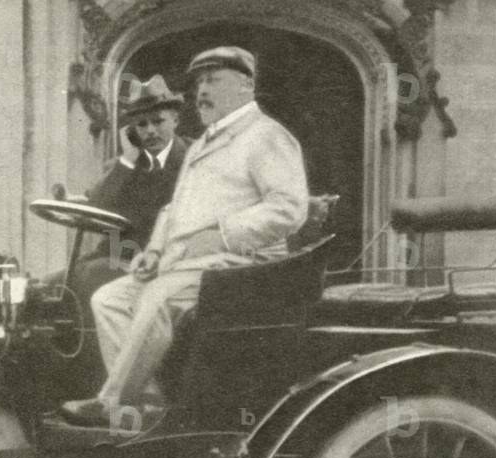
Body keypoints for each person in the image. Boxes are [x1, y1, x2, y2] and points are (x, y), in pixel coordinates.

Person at [60, 46, 309, 427]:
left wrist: (222, 235)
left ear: (246, 86)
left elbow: (289, 209)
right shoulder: (205, 144)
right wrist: (155, 250)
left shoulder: (266, 136)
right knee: (108, 298)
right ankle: (147, 405)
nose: (202, 91)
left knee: (156, 297)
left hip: (244, 266)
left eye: (214, 80)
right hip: (188, 264)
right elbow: (172, 210)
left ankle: (111, 402)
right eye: (199, 83)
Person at [71, 75, 190, 302]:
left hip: (162, 263)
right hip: (115, 257)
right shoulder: (123, 166)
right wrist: (127, 160)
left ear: (175, 120)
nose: (151, 131)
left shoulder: (194, 159)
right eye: (142, 124)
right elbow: (94, 210)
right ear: (132, 130)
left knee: (87, 277)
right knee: (49, 286)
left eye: (158, 121)